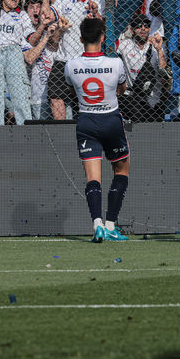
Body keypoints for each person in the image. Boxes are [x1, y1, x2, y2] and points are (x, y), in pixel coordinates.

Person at [64, 17, 130, 243]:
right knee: (121, 172)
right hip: (111, 119)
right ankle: (111, 224)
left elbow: (72, 90)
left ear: (81, 39)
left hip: (86, 121)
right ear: (103, 38)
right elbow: (122, 88)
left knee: (93, 178)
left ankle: (97, 224)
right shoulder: (116, 64)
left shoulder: (71, 65)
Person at [49, 0, 105, 120]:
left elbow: (107, 33)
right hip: (63, 59)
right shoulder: (63, 2)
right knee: (55, 98)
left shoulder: (101, 3)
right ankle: (60, 134)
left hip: (87, 60)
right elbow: (46, 16)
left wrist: (97, 15)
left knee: (86, 101)